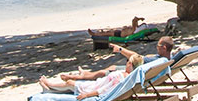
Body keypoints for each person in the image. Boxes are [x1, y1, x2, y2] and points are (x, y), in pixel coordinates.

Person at [39, 38, 175, 95]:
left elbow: (135, 56)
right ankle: (81, 75)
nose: (156, 48)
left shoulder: (158, 60)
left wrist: (120, 49)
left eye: (158, 46)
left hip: (132, 77)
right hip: (140, 77)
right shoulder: (167, 60)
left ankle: (63, 81)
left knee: (107, 71)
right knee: (109, 69)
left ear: (163, 47)